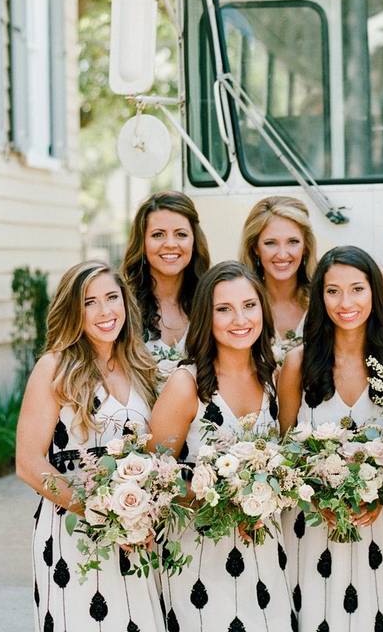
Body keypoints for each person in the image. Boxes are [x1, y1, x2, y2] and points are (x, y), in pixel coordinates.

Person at [15, 261, 163, 632]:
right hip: (72, 528)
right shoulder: (55, 367)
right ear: (72, 311)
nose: (104, 311)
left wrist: (136, 516)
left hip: (138, 529)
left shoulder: (142, 366)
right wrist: (101, 513)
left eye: (112, 297)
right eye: (89, 302)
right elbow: (29, 463)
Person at [148, 261, 293, 632]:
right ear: (205, 317)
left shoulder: (273, 379)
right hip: (200, 558)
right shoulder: (187, 384)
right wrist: (222, 494)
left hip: (264, 555)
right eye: (223, 309)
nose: (239, 319)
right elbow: (155, 478)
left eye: (248, 305)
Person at [277, 246, 383, 632]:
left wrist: (381, 494)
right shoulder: (298, 363)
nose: (345, 302)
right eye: (333, 291)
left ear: (374, 294)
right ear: (320, 298)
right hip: (312, 527)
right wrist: (317, 497)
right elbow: (284, 451)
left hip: (376, 528)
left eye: (357, 289)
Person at [121, 191, 211, 376]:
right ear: (142, 243)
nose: (170, 244)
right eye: (158, 235)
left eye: (181, 234)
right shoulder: (122, 306)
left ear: (194, 241)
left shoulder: (212, 302)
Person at [239, 196, 317, 366]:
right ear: (255, 248)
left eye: (293, 242)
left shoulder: (323, 301)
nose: (282, 254)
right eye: (270, 243)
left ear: (306, 246)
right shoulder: (238, 306)